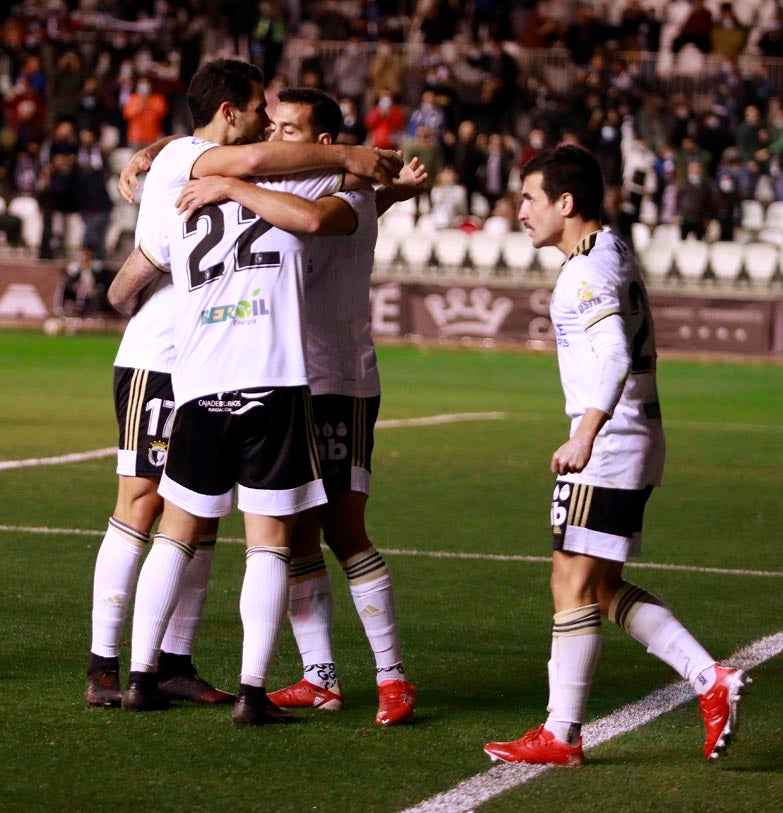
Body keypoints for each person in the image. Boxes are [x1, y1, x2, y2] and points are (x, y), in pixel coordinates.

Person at [87, 60, 400, 714]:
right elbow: (307, 194)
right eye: (263, 111)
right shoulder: (210, 168)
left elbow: (295, 182)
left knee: (185, 528)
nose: (271, 127)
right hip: (249, 370)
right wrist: (356, 161)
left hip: (202, 377)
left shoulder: (204, 177)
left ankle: (157, 666)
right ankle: (131, 669)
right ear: (230, 113)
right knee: (233, 529)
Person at [484, 144, 750, 765]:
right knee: (600, 586)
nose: (520, 211)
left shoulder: (585, 272)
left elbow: (612, 355)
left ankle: (561, 732)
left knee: (569, 582)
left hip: (608, 444)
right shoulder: (611, 249)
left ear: (565, 202)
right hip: (637, 439)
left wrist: (586, 432)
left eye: (530, 198)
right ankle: (710, 680)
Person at [171, 87, 426, 726]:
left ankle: (393, 678)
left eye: (290, 130)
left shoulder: (340, 192)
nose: (276, 139)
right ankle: (320, 677)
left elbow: (317, 221)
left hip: (338, 381)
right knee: (292, 532)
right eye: (274, 126)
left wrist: (231, 185)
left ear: (325, 142)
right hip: (288, 382)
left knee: (343, 530)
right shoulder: (308, 185)